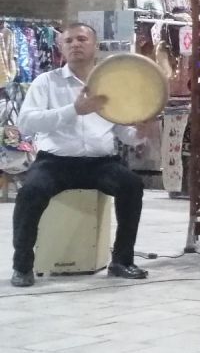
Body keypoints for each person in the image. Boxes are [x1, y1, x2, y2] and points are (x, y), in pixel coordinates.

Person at [12, 22, 159, 287]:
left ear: (95, 46)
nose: (75, 45)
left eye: (81, 39)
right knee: (30, 191)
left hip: (101, 163)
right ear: (60, 47)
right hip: (54, 163)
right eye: (68, 41)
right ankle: (22, 265)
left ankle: (122, 260)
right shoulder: (46, 82)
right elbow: (26, 123)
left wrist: (141, 131)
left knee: (132, 185)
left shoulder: (111, 85)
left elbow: (123, 131)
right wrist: (73, 110)